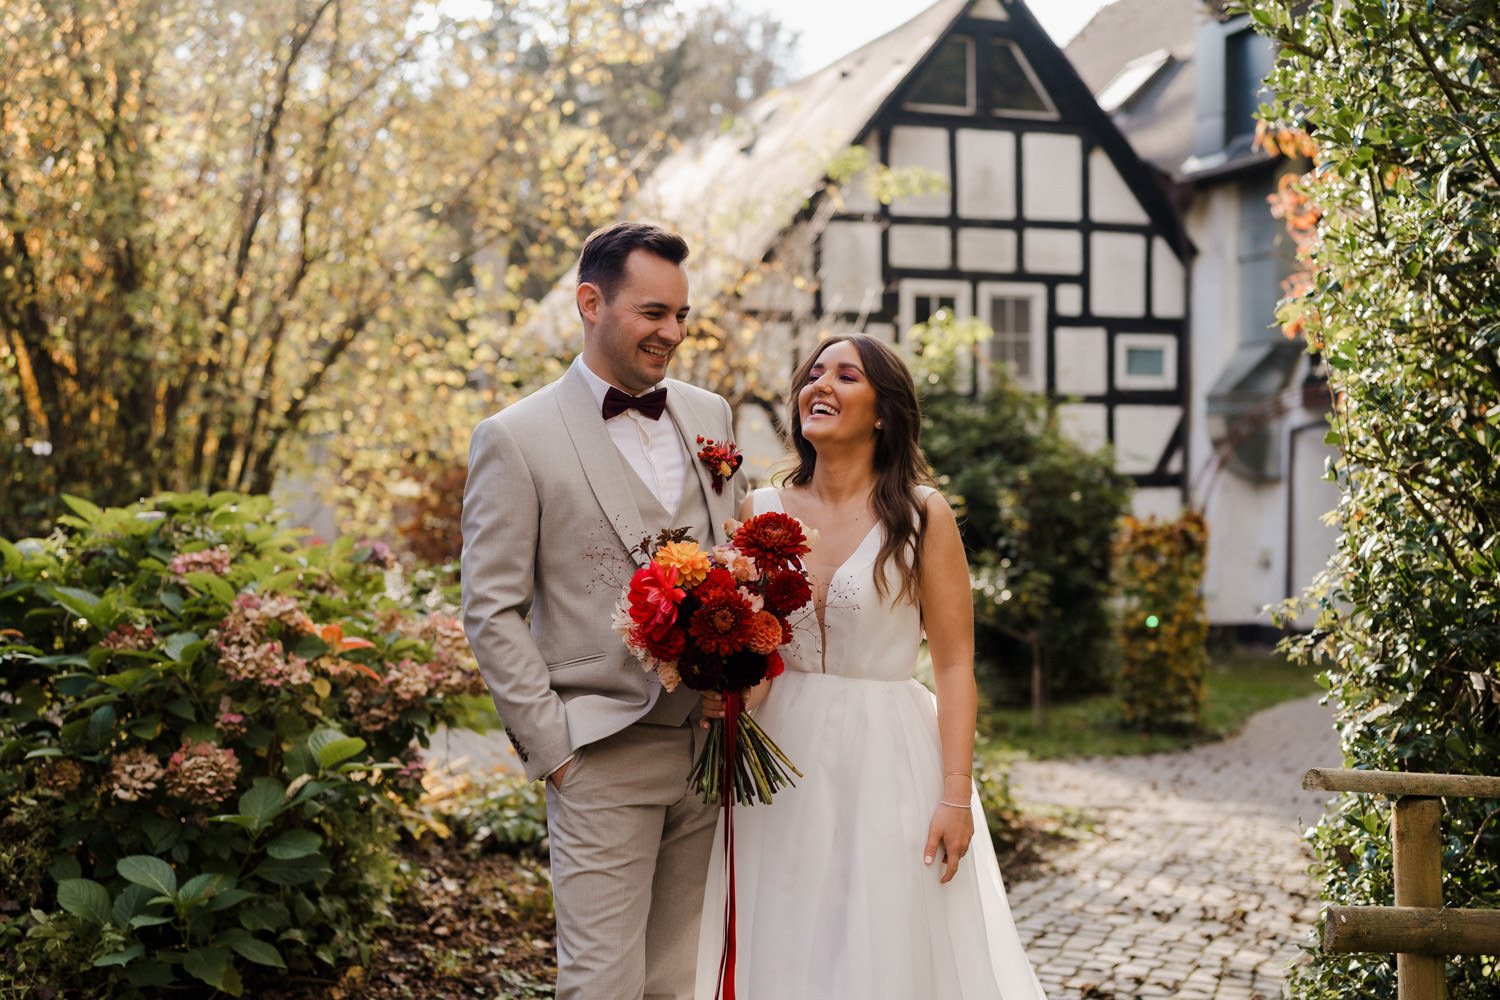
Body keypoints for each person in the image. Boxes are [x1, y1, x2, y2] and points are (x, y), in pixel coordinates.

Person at [694, 334, 1048, 999]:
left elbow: (953, 666)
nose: (821, 385)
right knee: (785, 930)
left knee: (879, 939)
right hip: (780, 761)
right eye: (814, 373)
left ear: (883, 412)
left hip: (889, 759)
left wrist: (955, 794)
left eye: (846, 375)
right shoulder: (758, 511)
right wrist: (722, 687)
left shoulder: (921, 516)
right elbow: (751, 647)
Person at [461, 221, 749, 1000]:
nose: (673, 333)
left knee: (678, 981)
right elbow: (491, 610)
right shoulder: (514, 438)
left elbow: (741, 559)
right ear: (591, 301)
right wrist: (556, 750)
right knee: (600, 983)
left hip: (707, 749)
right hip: (599, 751)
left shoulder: (710, 416)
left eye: (682, 316)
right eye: (654, 313)